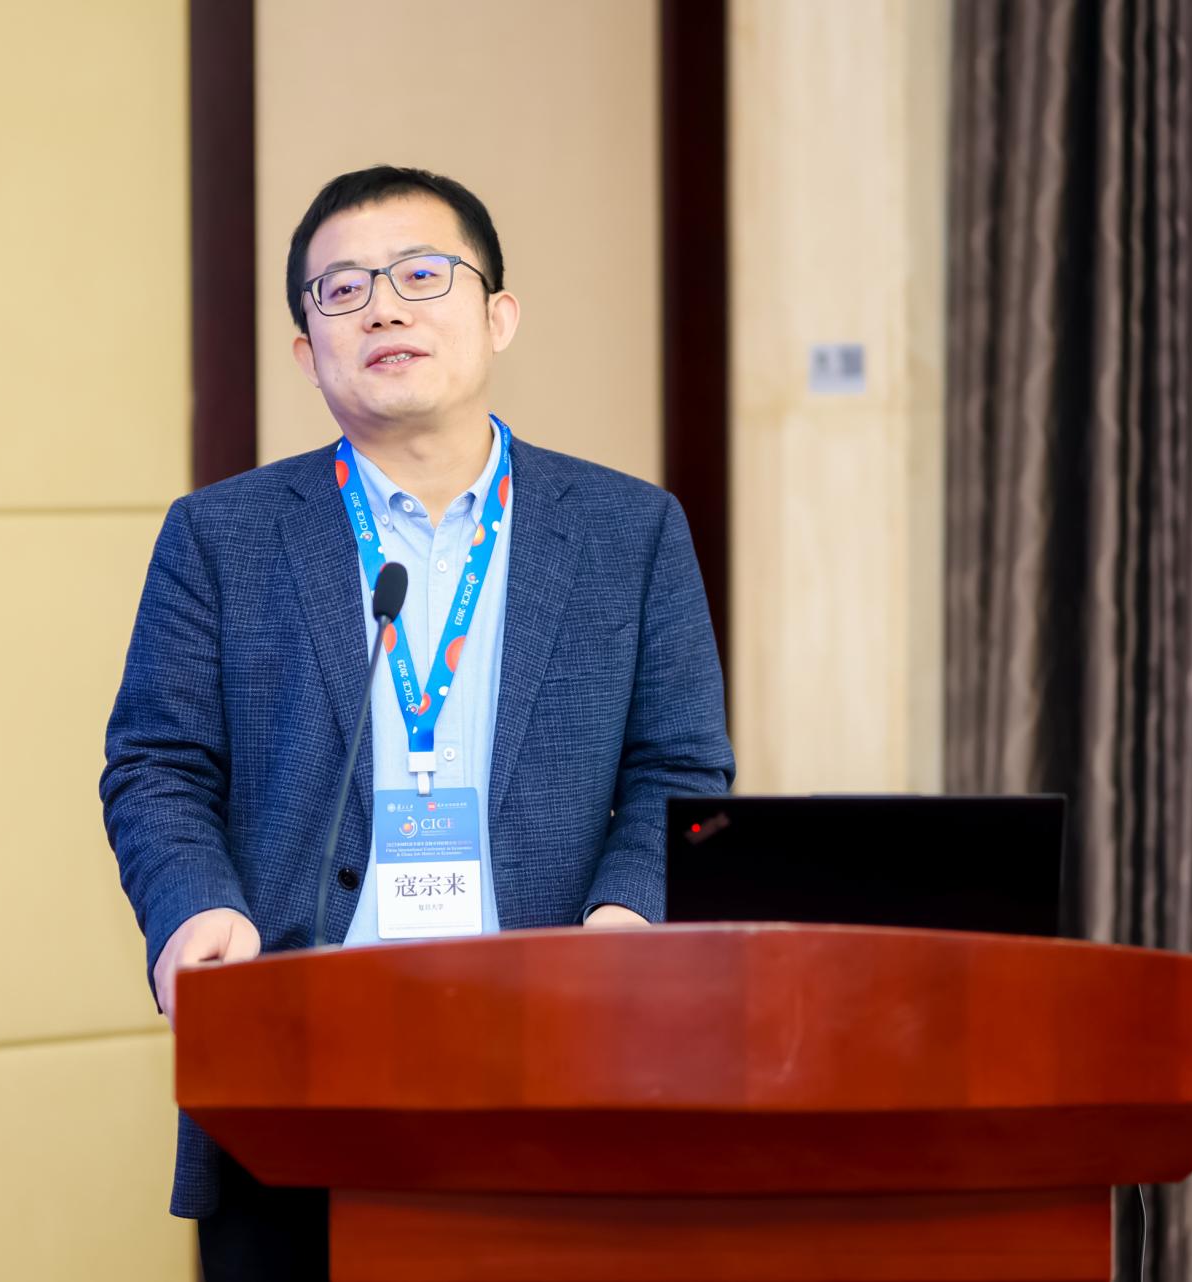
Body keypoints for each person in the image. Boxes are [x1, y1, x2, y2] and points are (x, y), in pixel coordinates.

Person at [100, 164, 734, 1281]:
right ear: (307, 351)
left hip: (557, 1060)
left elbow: (678, 769)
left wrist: (626, 917)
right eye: (341, 290)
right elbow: (157, 764)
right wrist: (194, 910)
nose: (383, 308)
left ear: (498, 316)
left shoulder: (628, 530)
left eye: (421, 275)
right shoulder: (219, 536)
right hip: (300, 1071)